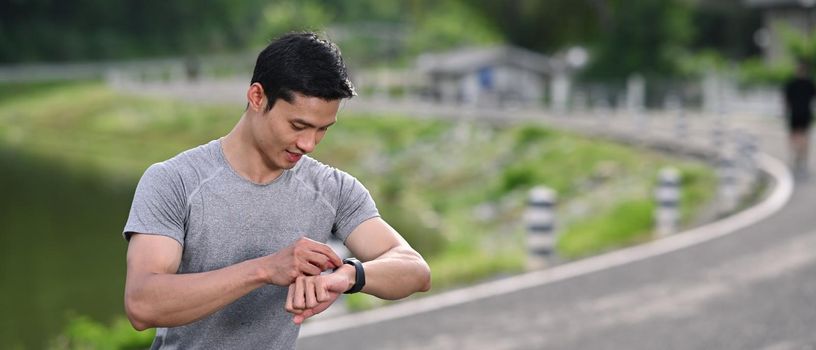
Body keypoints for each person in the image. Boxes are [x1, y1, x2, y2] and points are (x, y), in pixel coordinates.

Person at [122, 32, 431, 349]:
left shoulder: (332, 188)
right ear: (257, 97)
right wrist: (265, 269)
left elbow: (414, 270)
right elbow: (142, 305)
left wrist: (348, 277)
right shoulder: (174, 181)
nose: (308, 144)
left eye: (322, 129)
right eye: (298, 126)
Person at [783, 59, 816, 176]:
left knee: (797, 136)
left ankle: (799, 155)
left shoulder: (791, 84)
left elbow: (786, 100)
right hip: (805, 114)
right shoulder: (809, 83)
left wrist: (785, 113)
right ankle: (801, 156)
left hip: (796, 114)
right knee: (803, 137)